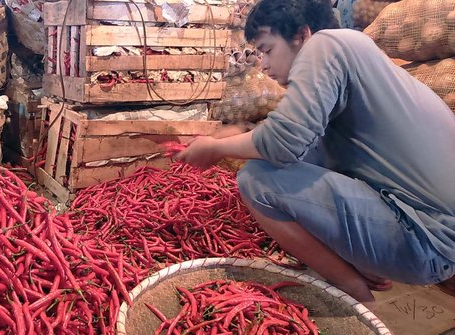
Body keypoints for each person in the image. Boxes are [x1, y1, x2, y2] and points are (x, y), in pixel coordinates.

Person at [176, 0, 455, 308]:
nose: (263, 65)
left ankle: (352, 291)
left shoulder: (327, 44)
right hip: (433, 239)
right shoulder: (356, 53)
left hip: (427, 241)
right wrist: (239, 136)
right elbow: (303, 148)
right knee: (301, 162)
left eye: (267, 50)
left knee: (256, 180)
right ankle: (359, 266)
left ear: (302, 35)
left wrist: (215, 148)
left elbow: (284, 142)